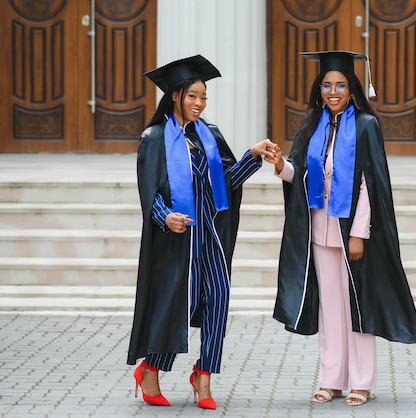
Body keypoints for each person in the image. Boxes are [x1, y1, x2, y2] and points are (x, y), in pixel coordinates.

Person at [265, 50, 416, 406]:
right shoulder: (312, 123)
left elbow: (370, 183)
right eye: (326, 85)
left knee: (357, 305)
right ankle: (331, 377)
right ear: (319, 88)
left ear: (351, 89)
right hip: (319, 229)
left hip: (351, 231)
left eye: (340, 85)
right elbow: (299, 176)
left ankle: (362, 381)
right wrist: (279, 165)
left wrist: (359, 232)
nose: (332, 91)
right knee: (330, 307)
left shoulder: (366, 125)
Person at [127, 54, 277, 410]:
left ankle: (204, 376)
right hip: (176, 239)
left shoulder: (209, 136)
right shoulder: (155, 138)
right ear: (175, 96)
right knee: (179, 303)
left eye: (204, 97)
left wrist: (252, 156)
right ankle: (150, 369)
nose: (199, 103)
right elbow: (149, 190)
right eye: (192, 96)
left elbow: (226, 184)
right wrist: (165, 217)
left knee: (219, 300)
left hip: (208, 234)